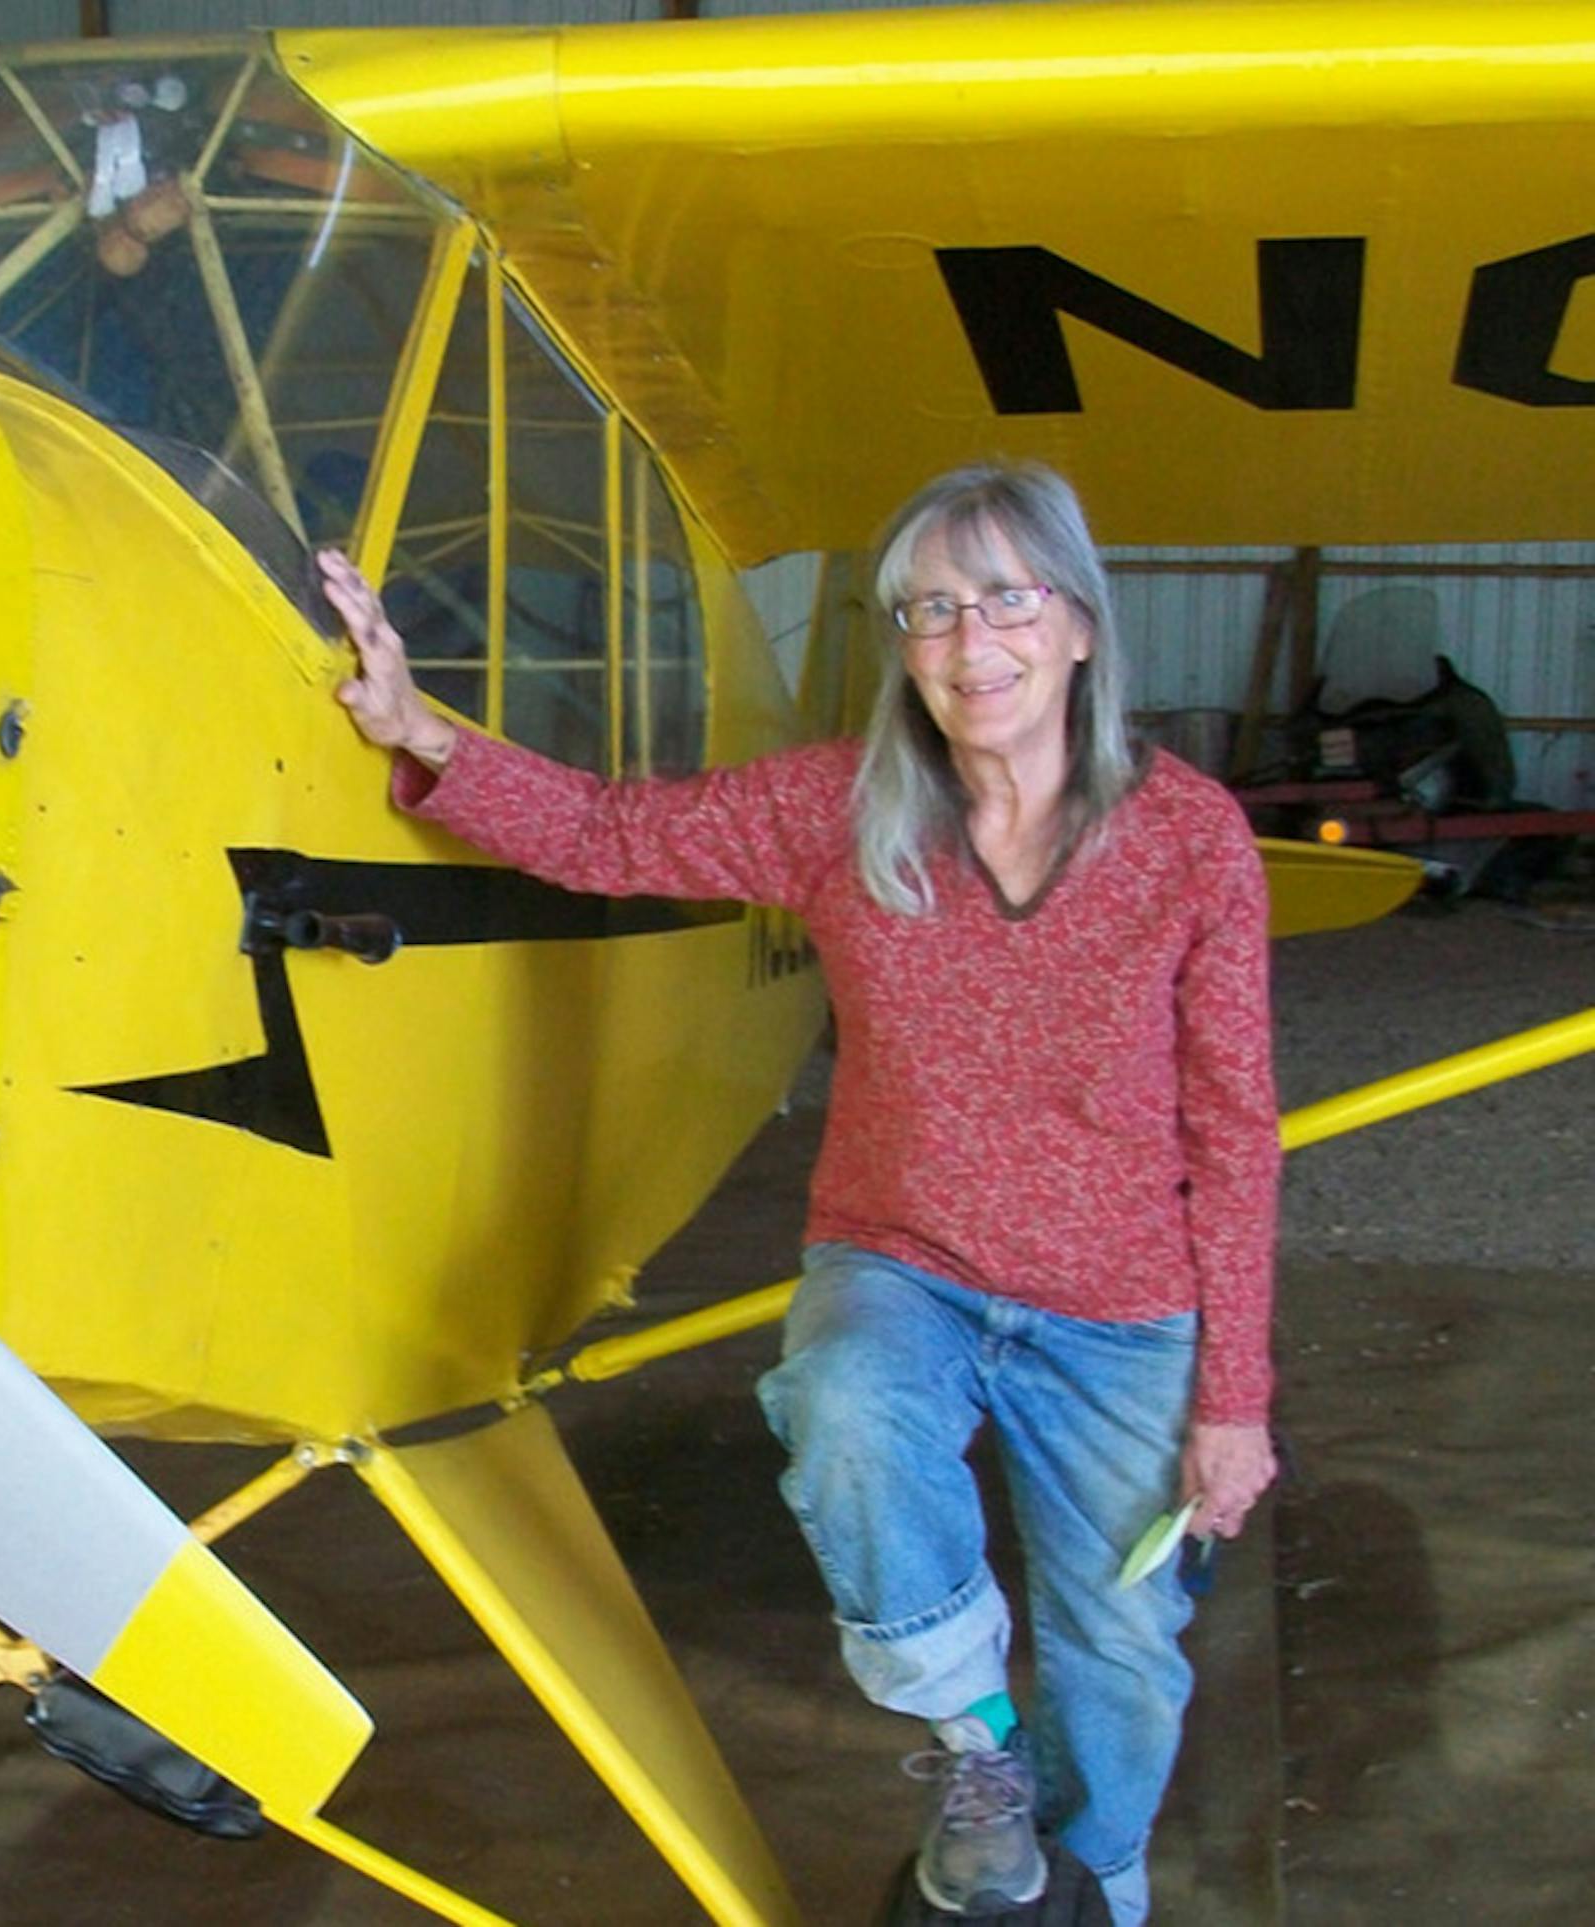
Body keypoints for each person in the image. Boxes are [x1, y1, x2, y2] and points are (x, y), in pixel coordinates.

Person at [318, 461, 1279, 1924]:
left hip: (1120, 1311)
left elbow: (1235, 1120)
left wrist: (1236, 1399)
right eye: (930, 611)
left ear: (1080, 623)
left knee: (1125, 1656)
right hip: (907, 1262)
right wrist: (414, 728)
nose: (971, 644)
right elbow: (609, 837)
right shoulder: (845, 806)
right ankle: (979, 1746)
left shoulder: (1191, 837)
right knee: (841, 1400)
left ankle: (1095, 1892)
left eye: (1006, 599)